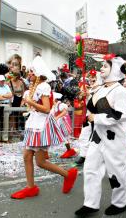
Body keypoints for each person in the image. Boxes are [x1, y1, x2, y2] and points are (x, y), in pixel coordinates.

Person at [11, 56, 78, 199]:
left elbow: (47, 109)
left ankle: (68, 175)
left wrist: (31, 103)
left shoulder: (44, 86)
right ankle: (31, 187)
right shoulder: (33, 87)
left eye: (31, 72)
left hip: (41, 126)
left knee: (40, 162)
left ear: (38, 73)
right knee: (27, 156)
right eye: (29, 72)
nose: (28, 74)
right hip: (33, 124)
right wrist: (29, 104)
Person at [75, 54, 126, 218]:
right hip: (97, 137)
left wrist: (96, 118)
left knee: (116, 172)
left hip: (115, 138)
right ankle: (90, 204)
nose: (101, 69)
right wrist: (87, 97)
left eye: (105, 66)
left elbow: (122, 115)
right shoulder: (100, 88)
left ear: (114, 70)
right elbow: (92, 108)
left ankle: (120, 203)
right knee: (90, 169)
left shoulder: (120, 91)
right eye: (102, 66)